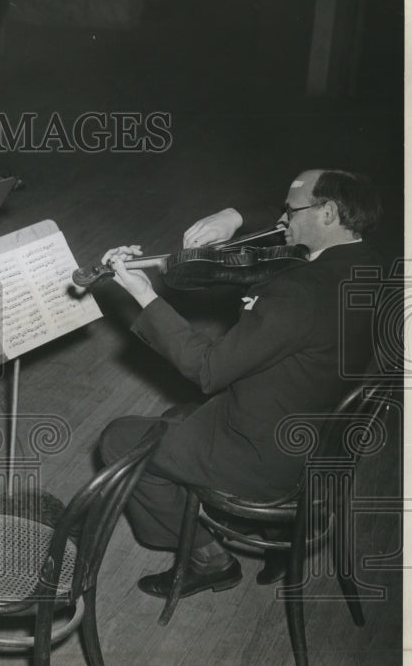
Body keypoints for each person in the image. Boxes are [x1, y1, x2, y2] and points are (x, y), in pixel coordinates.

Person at [96, 169, 382, 597]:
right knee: (175, 418)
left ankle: (209, 558)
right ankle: (280, 543)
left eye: (291, 211)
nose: (282, 221)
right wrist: (233, 217)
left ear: (327, 213)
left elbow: (207, 370)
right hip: (321, 436)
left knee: (120, 440)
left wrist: (143, 295)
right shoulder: (372, 265)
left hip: (264, 455)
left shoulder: (298, 292)